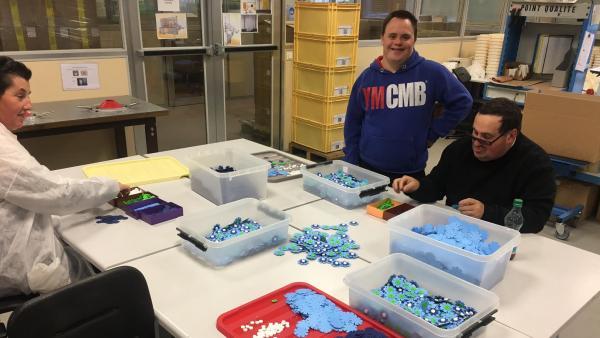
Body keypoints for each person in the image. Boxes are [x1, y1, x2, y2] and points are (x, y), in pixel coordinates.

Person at [0, 56, 129, 297]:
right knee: (104, 276)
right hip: (14, 266)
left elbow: (38, 188)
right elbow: (58, 194)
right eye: (19, 96)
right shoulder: (3, 152)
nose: (29, 105)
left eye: (28, 95)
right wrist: (111, 186)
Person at [344, 10, 473, 182]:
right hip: (368, 169)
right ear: (382, 38)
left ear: (414, 40)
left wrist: (433, 133)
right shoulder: (366, 78)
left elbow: (463, 102)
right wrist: (351, 161)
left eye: (405, 37)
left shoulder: (431, 73)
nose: (397, 42)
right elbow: (353, 122)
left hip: (409, 174)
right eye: (392, 36)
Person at [392, 98, 556, 233]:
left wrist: (486, 212)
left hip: (500, 236)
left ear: (511, 136)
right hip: (454, 230)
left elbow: (537, 217)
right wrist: (418, 186)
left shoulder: (536, 163)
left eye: (486, 138)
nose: (476, 144)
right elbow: (436, 185)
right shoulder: (459, 149)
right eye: (475, 133)